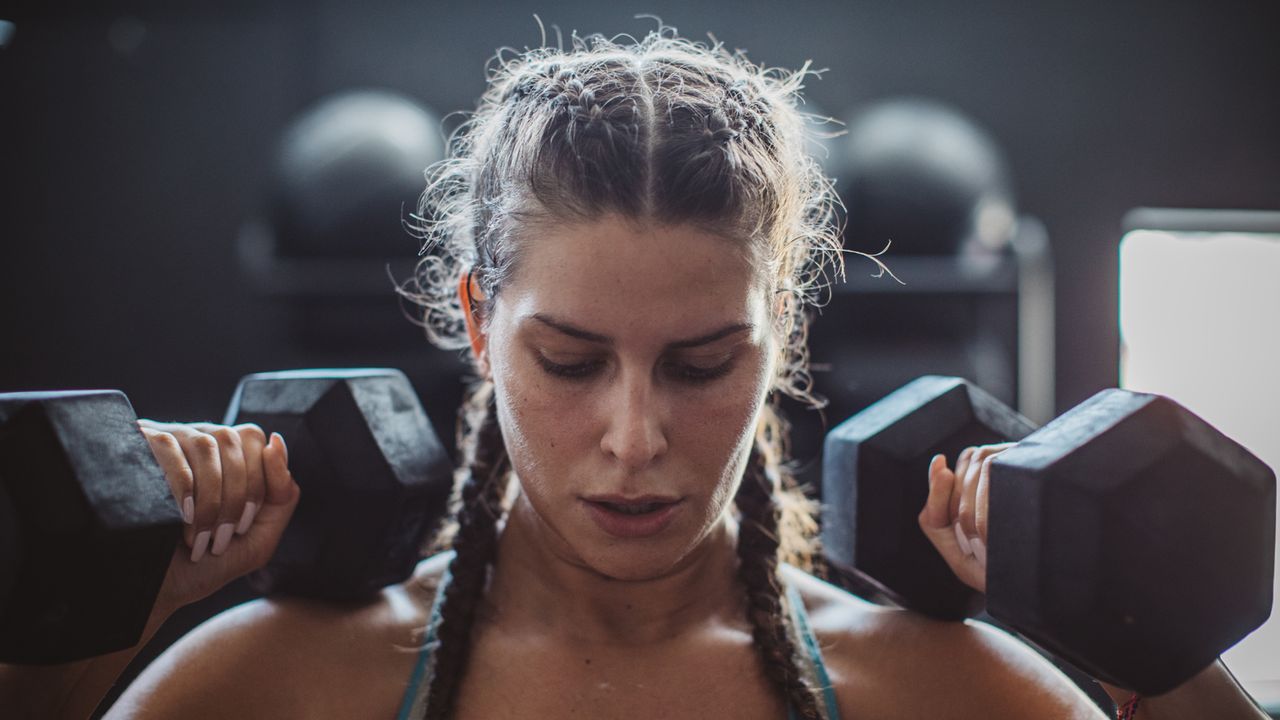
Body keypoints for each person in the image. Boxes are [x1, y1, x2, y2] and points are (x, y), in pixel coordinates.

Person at [2, 25, 1268, 720]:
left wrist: (1146, 659)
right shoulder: (271, 689)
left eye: (702, 363)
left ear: (780, 329)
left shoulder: (942, 694)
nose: (632, 439)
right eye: (567, 360)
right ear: (474, 320)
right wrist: (76, 657)